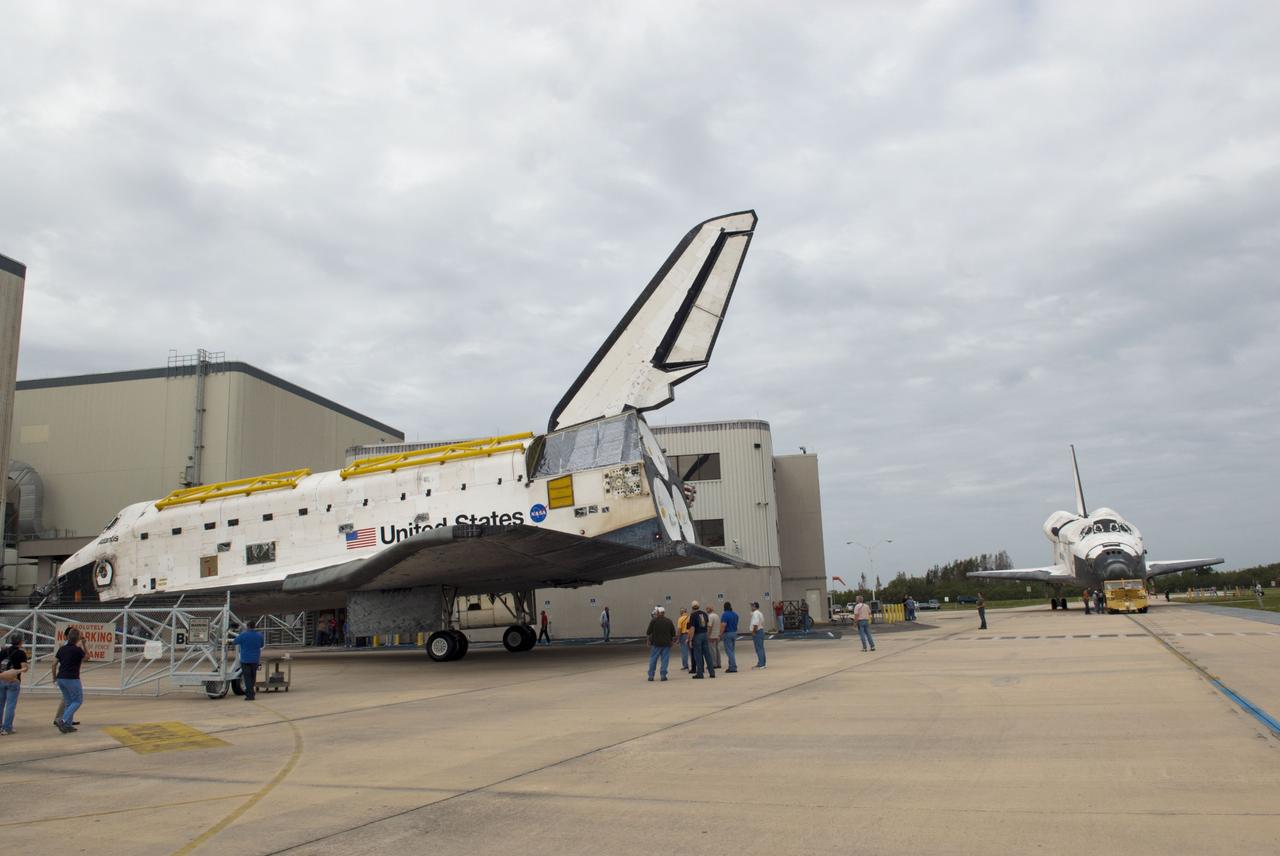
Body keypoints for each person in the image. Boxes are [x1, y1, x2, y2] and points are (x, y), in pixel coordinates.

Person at [53, 627, 86, 733]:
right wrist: (84, 644)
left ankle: (67, 725)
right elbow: (88, 657)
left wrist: (54, 677)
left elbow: (54, 664)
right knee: (77, 701)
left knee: (68, 702)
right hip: (72, 678)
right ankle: (62, 720)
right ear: (77, 639)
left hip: (61, 677)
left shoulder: (62, 649)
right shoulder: (77, 650)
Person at [0, 633, 31, 735]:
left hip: (2, 678)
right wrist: (22, 669)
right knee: (10, 705)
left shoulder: (4, 651)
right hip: (14, 681)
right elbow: (24, 668)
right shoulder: (21, 653)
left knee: (1, 704)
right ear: (21, 642)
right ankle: (7, 727)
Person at [234, 620, 265, 701]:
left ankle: (250, 695)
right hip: (255, 659)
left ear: (247, 626)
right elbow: (262, 645)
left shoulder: (243, 635)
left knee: (247, 678)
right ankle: (251, 692)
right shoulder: (259, 635)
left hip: (245, 659)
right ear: (255, 626)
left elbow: (235, 642)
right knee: (253, 677)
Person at [645, 606, 677, 681]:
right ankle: (663, 675)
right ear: (664, 613)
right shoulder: (669, 621)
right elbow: (673, 633)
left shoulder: (653, 621)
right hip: (666, 644)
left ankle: (651, 676)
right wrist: (672, 641)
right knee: (665, 660)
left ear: (658, 613)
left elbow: (648, 632)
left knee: (653, 659)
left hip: (656, 644)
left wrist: (648, 641)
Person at [687, 600, 715, 678]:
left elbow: (692, 628)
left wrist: (690, 640)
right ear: (698, 606)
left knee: (698, 655)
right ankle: (712, 672)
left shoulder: (693, 615)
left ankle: (700, 673)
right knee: (707, 654)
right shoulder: (704, 614)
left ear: (692, 607)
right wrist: (707, 635)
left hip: (697, 636)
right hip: (705, 634)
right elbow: (708, 625)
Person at [721, 601, 740, 673]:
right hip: (734, 632)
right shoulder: (735, 614)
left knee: (729, 651)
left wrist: (720, 634)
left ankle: (733, 667)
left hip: (727, 633)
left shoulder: (725, 615)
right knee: (732, 651)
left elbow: (723, 625)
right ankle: (731, 665)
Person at [749, 601, 766, 668]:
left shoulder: (755, 614)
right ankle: (762, 662)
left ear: (755, 606)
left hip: (757, 631)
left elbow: (755, 624)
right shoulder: (759, 613)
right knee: (760, 648)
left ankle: (761, 663)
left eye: (752, 606)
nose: (751, 607)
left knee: (759, 648)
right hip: (760, 630)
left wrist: (753, 632)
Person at [706, 605, 723, 670]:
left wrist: (708, 635)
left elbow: (709, 626)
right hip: (717, 635)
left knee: (712, 651)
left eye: (707, 609)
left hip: (712, 636)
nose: (706, 610)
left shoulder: (710, 616)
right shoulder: (717, 616)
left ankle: (714, 664)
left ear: (710, 609)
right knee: (717, 650)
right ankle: (719, 663)